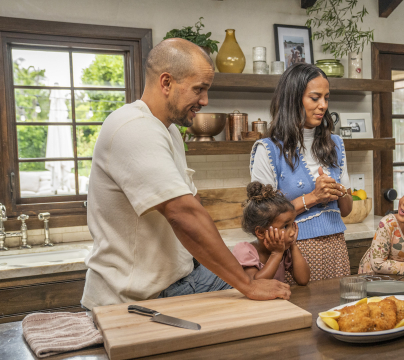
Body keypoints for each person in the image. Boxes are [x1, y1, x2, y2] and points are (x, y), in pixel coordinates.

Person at [81, 38, 290, 310]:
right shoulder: (133, 127)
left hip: (178, 280)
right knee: (260, 302)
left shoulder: (167, 130)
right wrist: (247, 284)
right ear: (166, 83)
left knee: (271, 295)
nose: (205, 100)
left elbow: (193, 202)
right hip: (133, 298)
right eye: (199, 89)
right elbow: (183, 213)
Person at [250, 62, 353, 282]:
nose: (323, 105)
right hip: (295, 254)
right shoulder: (268, 150)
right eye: (315, 98)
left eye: (326, 98)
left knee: (338, 314)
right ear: (293, 99)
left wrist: (339, 191)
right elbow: (267, 220)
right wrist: (314, 197)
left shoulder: (335, 144)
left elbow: (345, 210)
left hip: (337, 248)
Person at [232, 182, 310, 285]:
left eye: (292, 225)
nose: (292, 232)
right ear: (260, 232)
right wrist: (276, 254)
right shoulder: (245, 251)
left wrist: (293, 247)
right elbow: (256, 285)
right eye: (285, 226)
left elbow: (303, 280)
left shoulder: (284, 250)